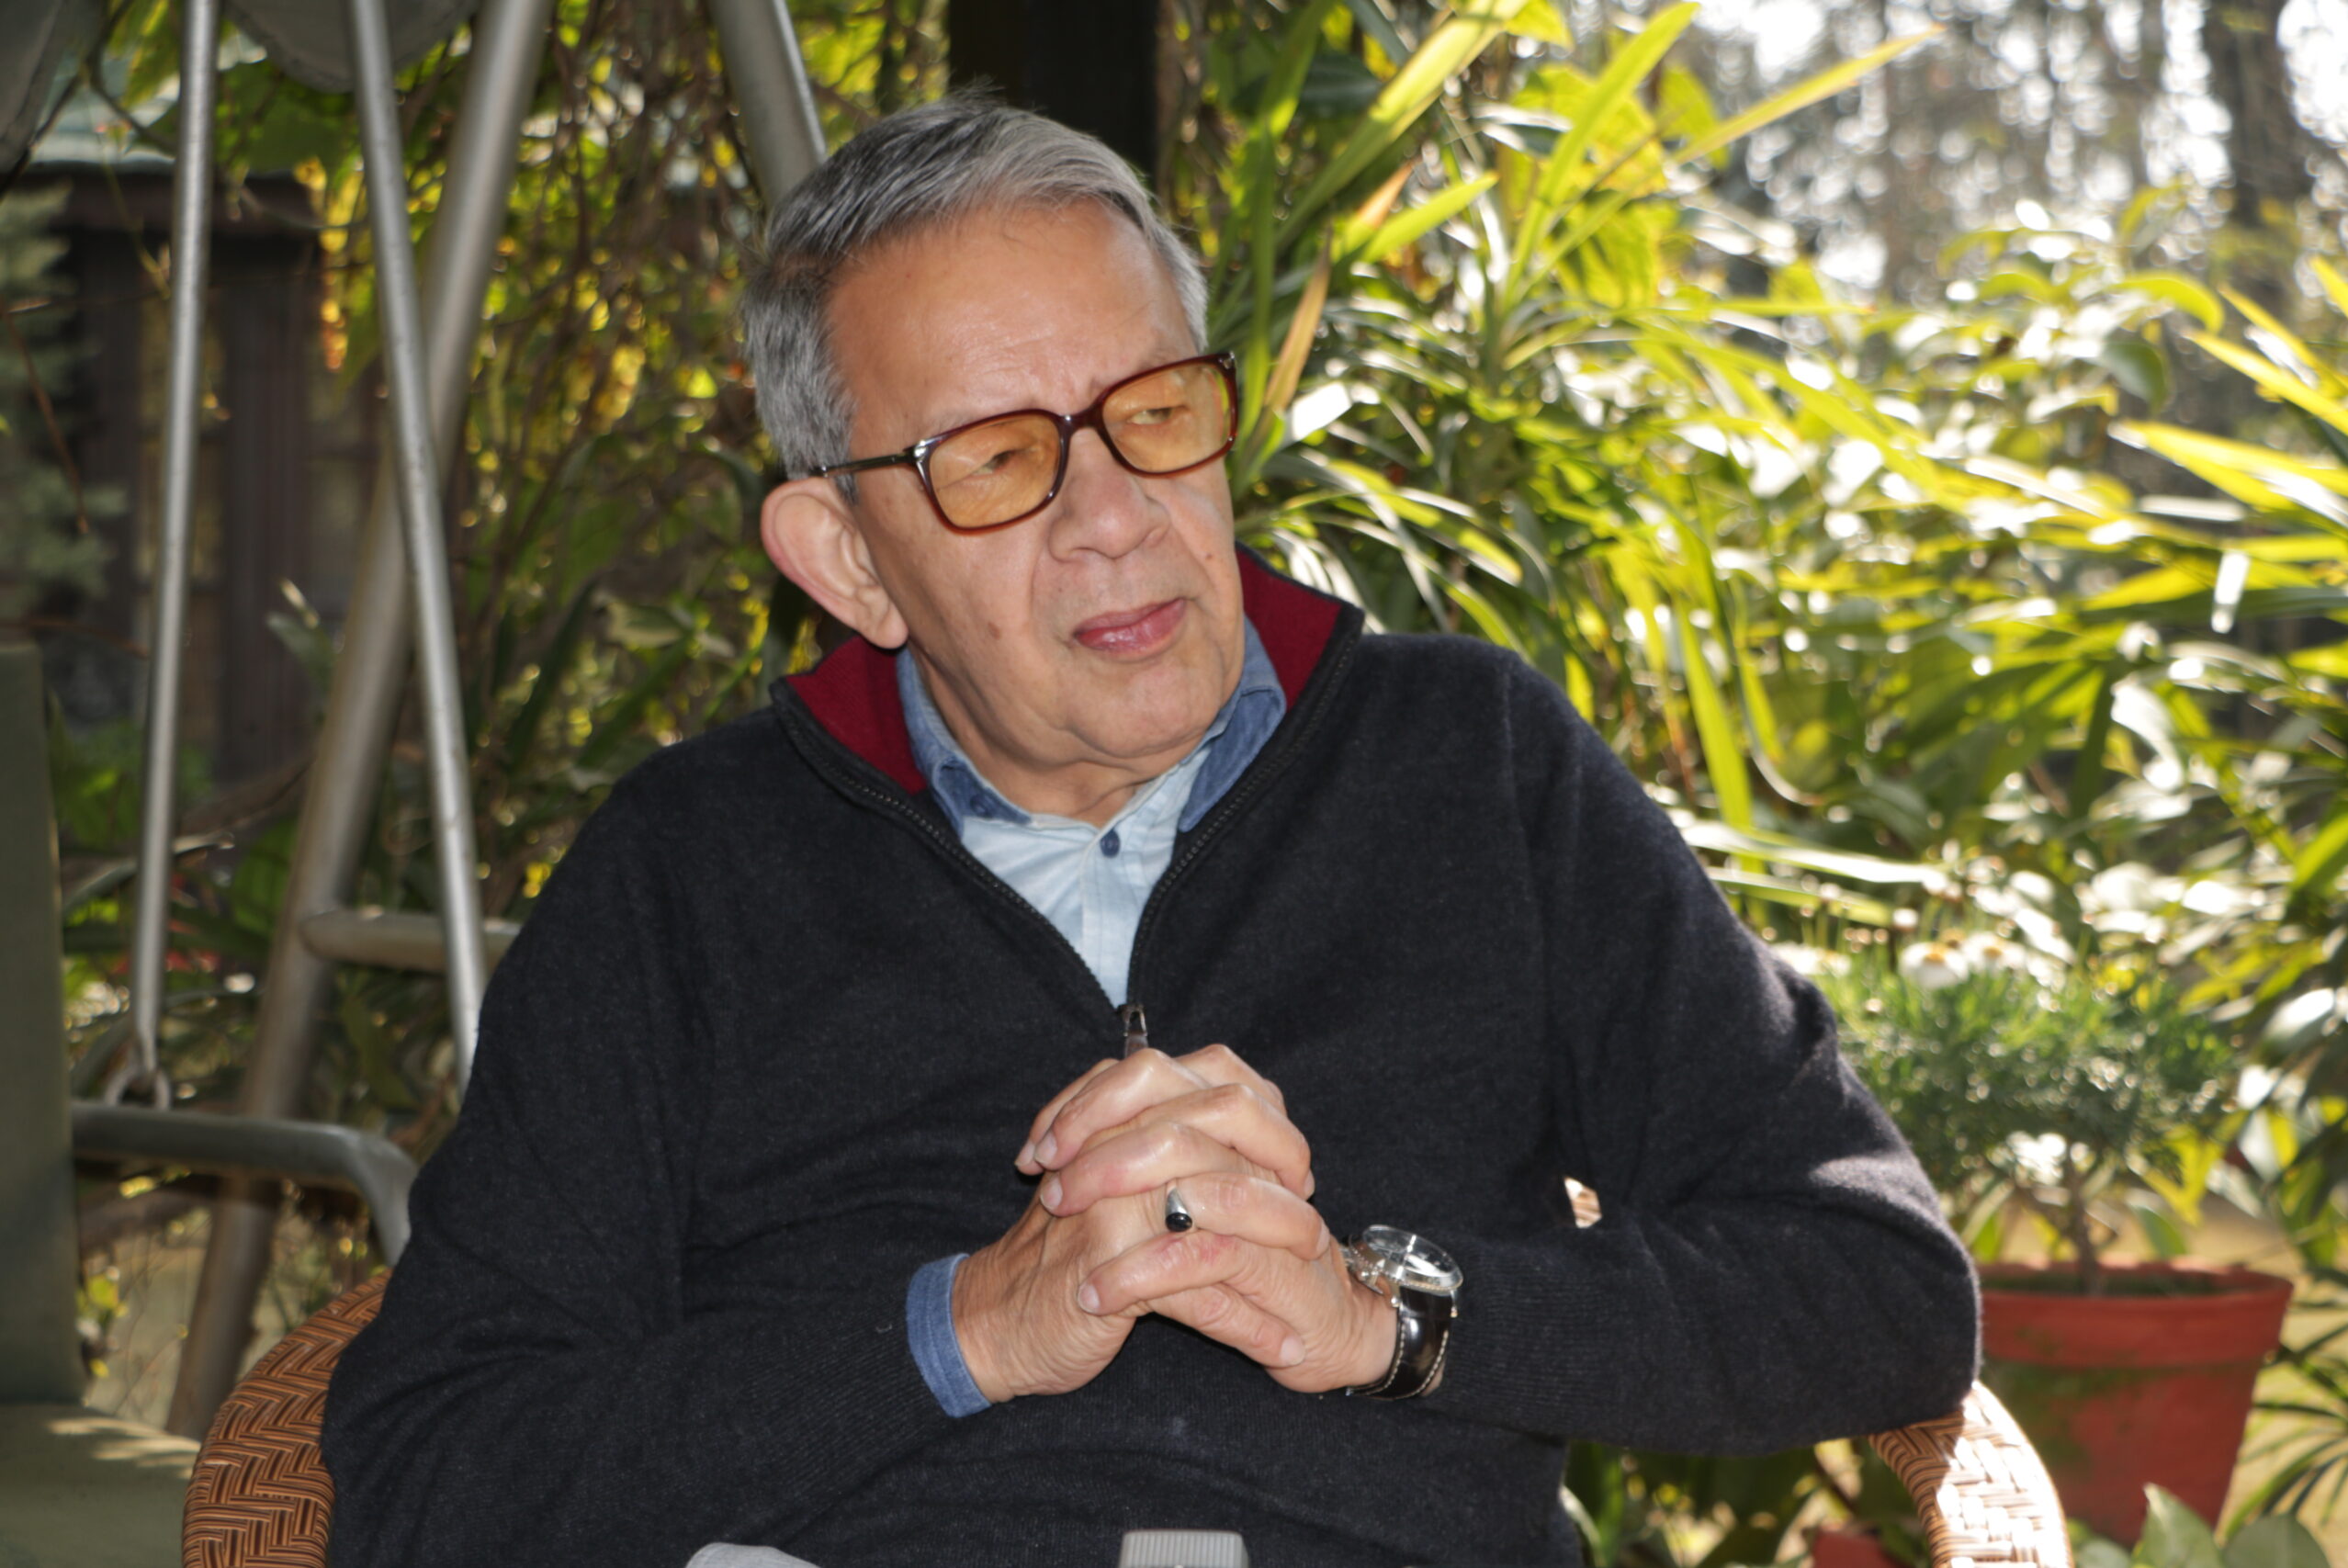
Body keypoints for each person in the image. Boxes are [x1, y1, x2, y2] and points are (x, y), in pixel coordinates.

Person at [322, 97, 1978, 1568]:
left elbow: (1876, 1284)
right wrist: (959, 1331)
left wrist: (1385, 1315)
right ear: (849, 561)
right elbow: (428, 1476)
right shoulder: (690, 871)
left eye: (1157, 412)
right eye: (998, 462)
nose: (1115, 519)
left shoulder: (1469, 767)